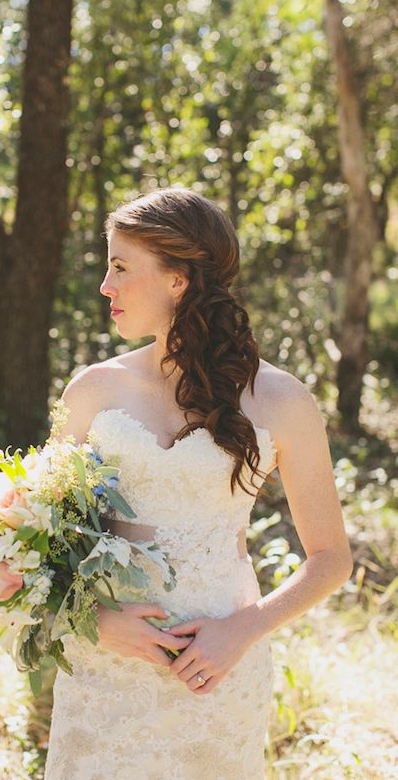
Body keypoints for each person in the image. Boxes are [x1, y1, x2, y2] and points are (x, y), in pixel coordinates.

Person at [43, 187, 353, 779]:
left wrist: (242, 630)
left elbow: (331, 558)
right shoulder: (92, 390)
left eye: (120, 267)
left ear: (179, 279)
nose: (106, 286)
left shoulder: (282, 400)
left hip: (217, 668)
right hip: (103, 666)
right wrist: (96, 622)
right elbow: (46, 541)